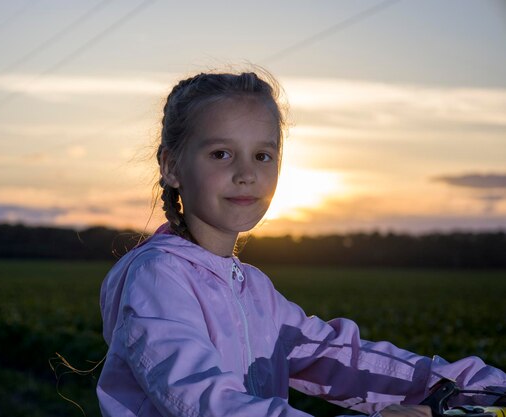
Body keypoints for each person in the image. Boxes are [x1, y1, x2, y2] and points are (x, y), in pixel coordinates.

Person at [96, 70, 505, 417]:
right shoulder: (157, 277)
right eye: (221, 154)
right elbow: (201, 399)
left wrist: (472, 387)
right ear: (171, 166)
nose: (246, 174)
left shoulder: (253, 290)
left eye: (263, 156)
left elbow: (338, 357)